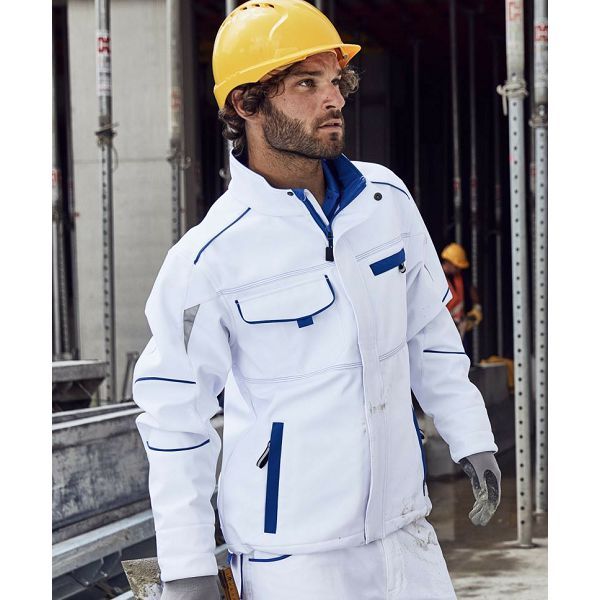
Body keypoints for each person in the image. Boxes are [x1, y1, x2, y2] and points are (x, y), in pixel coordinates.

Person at [133, 1, 501, 598]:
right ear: (247, 104)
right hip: (294, 561)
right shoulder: (208, 258)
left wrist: (472, 436)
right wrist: (187, 566)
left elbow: (429, 334)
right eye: (307, 84)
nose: (334, 99)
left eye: (336, 81)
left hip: (405, 535)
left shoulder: (385, 200)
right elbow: (174, 416)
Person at [440, 243, 483, 340]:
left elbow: (471, 289)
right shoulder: (436, 278)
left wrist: (477, 308)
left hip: (458, 326)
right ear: (448, 262)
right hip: (442, 328)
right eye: (456, 266)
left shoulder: (459, 277)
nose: (459, 269)